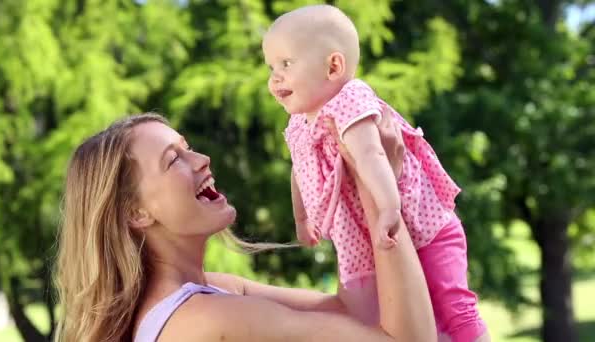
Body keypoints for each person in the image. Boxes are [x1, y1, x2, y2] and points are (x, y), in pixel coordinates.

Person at [54, 112, 436, 342]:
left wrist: (348, 185)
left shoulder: (213, 292)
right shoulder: (210, 318)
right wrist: (382, 190)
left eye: (188, 147)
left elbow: (354, 311)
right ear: (137, 212)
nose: (202, 159)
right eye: (174, 160)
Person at [262, 4, 489, 341]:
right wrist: (301, 220)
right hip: (371, 244)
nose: (275, 77)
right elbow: (299, 171)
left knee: (453, 306)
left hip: (421, 224)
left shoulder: (349, 101)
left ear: (333, 66)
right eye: (271, 67)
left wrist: (389, 209)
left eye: (286, 64)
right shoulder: (298, 123)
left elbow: (371, 155)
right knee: (402, 319)